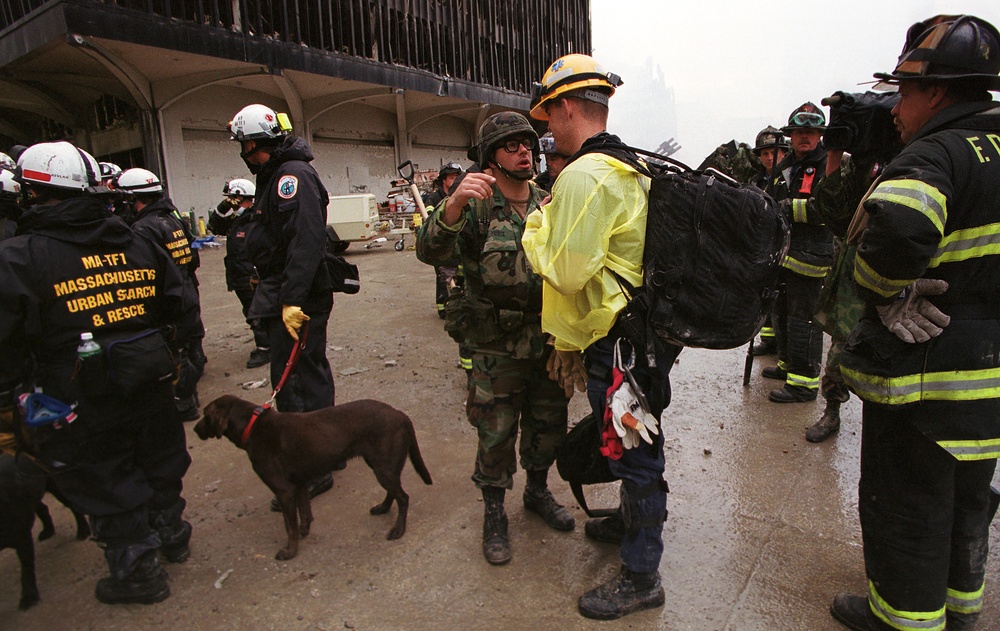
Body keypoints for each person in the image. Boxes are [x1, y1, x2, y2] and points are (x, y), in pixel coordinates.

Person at [829, 15, 1000, 631]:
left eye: (903, 92)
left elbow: (899, 226)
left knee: (909, 506)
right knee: (969, 499)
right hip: (992, 380)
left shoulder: (936, 151)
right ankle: (961, 612)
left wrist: (880, 295)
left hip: (930, 378)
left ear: (936, 91)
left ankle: (902, 619)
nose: (896, 107)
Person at [0, 141, 199, 604]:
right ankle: (172, 534)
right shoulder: (138, 240)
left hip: (77, 391)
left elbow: (6, 343)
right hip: (149, 374)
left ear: (31, 194)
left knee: (104, 474)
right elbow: (182, 305)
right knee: (158, 455)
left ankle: (138, 573)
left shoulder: (19, 258)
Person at [523, 53, 682, 621]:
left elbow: (564, 271)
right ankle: (630, 525)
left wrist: (535, 224)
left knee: (637, 455)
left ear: (566, 107)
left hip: (616, 346)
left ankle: (642, 575)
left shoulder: (585, 175)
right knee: (626, 444)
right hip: (634, 338)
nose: (545, 127)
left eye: (547, 115)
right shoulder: (627, 165)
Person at [416, 111, 575, 566]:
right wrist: (451, 207)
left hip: (547, 338)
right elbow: (430, 251)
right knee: (495, 431)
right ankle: (494, 512)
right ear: (491, 158)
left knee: (548, 424)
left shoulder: (550, 200)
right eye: (512, 145)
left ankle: (538, 492)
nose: (525, 151)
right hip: (494, 344)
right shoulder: (476, 204)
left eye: (528, 143)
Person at [228, 103, 336, 503]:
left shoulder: (292, 177)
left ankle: (314, 463)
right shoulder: (274, 174)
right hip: (284, 290)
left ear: (261, 143)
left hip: (297, 295)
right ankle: (325, 451)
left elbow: (306, 242)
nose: (246, 155)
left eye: (248, 147)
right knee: (301, 375)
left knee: (298, 382)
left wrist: (292, 300)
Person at [115, 168, 207, 422]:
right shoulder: (172, 219)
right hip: (187, 288)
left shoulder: (143, 228)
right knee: (190, 346)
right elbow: (192, 257)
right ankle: (190, 394)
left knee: (176, 351)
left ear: (133, 199)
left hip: (171, 296)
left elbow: (147, 271)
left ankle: (184, 402)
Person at [762, 102, 834, 403]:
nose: (805, 137)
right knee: (782, 314)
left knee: (803, 319)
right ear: (790, 135)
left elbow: (826, 209)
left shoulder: (828, 166)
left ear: (819, 135)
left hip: (811, 257)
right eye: (800, 132)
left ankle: (803, 385)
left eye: (811, 132)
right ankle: (788, 366)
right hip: (785, 254)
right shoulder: (785, 166)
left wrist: (784, 210)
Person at [207, 178, 271, 369]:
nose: (232, 201)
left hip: (250, 275)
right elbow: (214, 226)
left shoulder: (253, 218)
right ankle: (267, 343)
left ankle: (265, 348)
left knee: (256, 312)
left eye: (234, 198)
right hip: (238, 274)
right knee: (249, 311)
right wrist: (223, 206)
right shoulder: (237, 219)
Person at [749, 125, 790, 355]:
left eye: (773, 152)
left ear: (783, 153)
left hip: (786, 248)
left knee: (784, 302)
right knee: (764, 295)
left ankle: (785, 349)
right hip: (763, 247)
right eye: (764, 153)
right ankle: (769, 341)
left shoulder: (788, 178)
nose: (769, 157)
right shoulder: (756, 181)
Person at [422, 162, 464, 320]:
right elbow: (429, 218)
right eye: (452, 177)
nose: (455, 180)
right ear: (444, 180)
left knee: (461, 273)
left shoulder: (459, 195)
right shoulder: (434, 198)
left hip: (458, 240)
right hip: (440, 241)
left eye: (457, 177)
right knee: (442, 275)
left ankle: (460, 303)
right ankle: (443, 306)